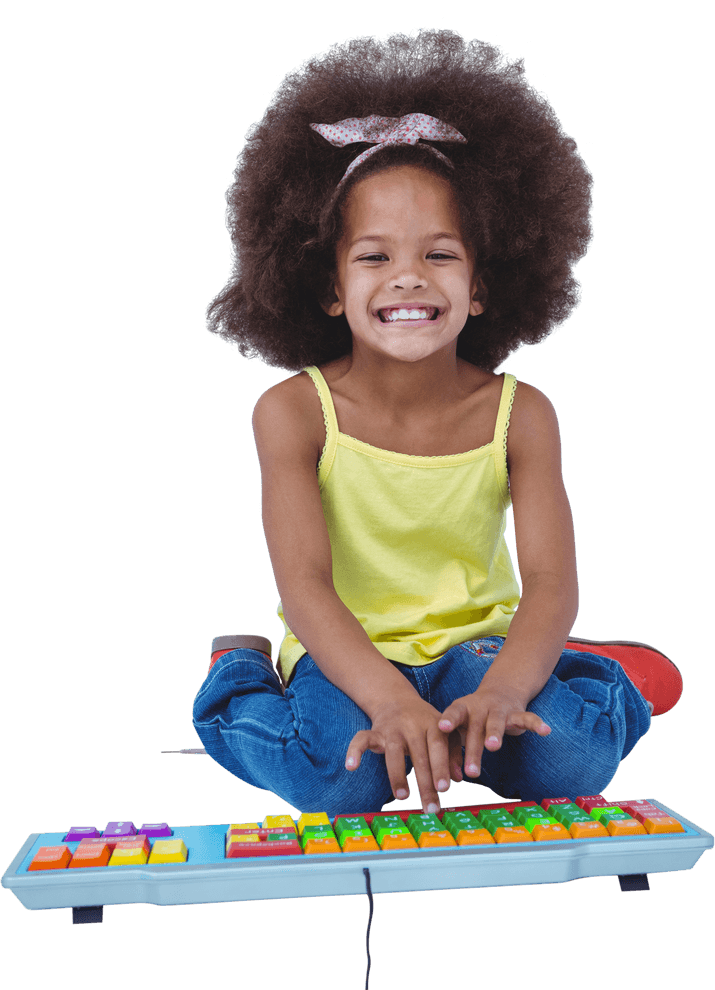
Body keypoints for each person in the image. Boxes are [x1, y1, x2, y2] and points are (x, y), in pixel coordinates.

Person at [192, 30, 682, 818]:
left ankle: (596, 678)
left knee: (569, 761)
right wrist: (386, 701)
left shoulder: (521, 413)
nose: (408, 277)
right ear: (328, 287)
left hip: (475, 648)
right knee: (339, 781)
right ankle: (236, 678)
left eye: (440, 254)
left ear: (483, 285)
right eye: (374, 257)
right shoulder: (292, 412)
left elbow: (551, 580)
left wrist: (506, 689)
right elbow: (306, 586)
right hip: (344, 650)